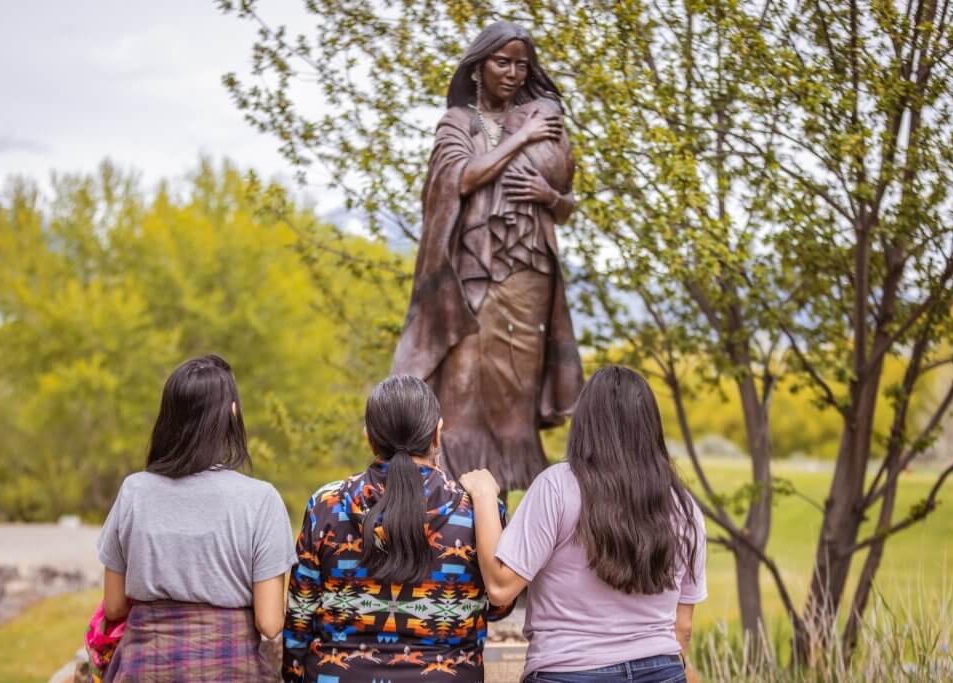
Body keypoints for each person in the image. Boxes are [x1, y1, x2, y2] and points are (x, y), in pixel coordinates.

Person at [391, 21, 584, 492]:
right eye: (503, 62)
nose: (514, 73)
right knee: (459, 387)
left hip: (528, 272)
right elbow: (458, 179)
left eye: (522, 64)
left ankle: (505, 516)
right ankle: (453, 501)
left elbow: (566, 204)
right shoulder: (459, 122)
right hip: (470, 275)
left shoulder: (545, 118)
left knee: (514, 393)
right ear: (479, 67)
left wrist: (549, 195)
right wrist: (522, 137)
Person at [462, 366, 708, 683]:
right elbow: (683, 627)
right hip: (661, 670)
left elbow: (500, 588)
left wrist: (483, 496)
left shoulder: (557, 487)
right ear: (650, 426)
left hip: (568, 670)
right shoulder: (684, 506)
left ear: (586, 423)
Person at [282, 375, 514, 682]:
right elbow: (499, 606)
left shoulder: (326, 504)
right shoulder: (478, 511)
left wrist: (293, 673)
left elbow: (300, 615)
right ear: (437, 433)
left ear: (369, 437)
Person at [97, 354, 296, 681]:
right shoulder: (261, 500)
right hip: (231, 670)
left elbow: (114, 606)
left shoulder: (134, 491)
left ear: (169, 418)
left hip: (144, 669)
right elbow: (270, 622)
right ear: (232, 413)